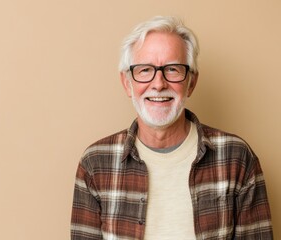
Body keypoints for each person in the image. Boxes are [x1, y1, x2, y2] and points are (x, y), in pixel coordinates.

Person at [70, 16, 273, 239]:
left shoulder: (237, 157)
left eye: (173, 69)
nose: (158, 84)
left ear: (191, 82)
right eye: (145, 70)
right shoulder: (95, 163)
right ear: (127, 83)